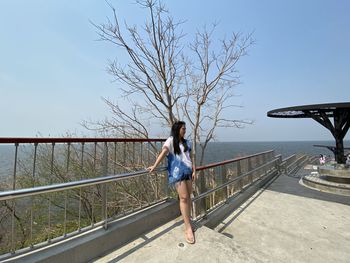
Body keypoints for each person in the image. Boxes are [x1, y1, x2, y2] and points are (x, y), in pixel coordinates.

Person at [147, 121, 196, 244]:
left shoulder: (186, 142)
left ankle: (188, 221)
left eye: (185, 128)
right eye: (183, 128)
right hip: (177, 173)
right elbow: (163, 153)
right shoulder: (170, 140)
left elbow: (191, 157)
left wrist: (194, 170)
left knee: (188, 198)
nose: (185, 130)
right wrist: (154, 166)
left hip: (188, 171)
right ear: (177, 129)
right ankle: (188, 227)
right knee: (183, 198)